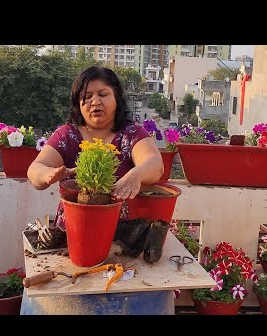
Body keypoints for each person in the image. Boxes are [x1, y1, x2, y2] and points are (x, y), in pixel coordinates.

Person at [27, 65, 164, 229]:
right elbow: (35, 170)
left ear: (117, 98)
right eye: (87, 96)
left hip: (121, 237)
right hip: (72, 233)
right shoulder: (67, 135)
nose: (95, 102)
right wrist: (47, 174)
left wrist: (137, 174)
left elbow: (155, 164)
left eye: (103, 94)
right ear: (78, 104)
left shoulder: (132, 134)